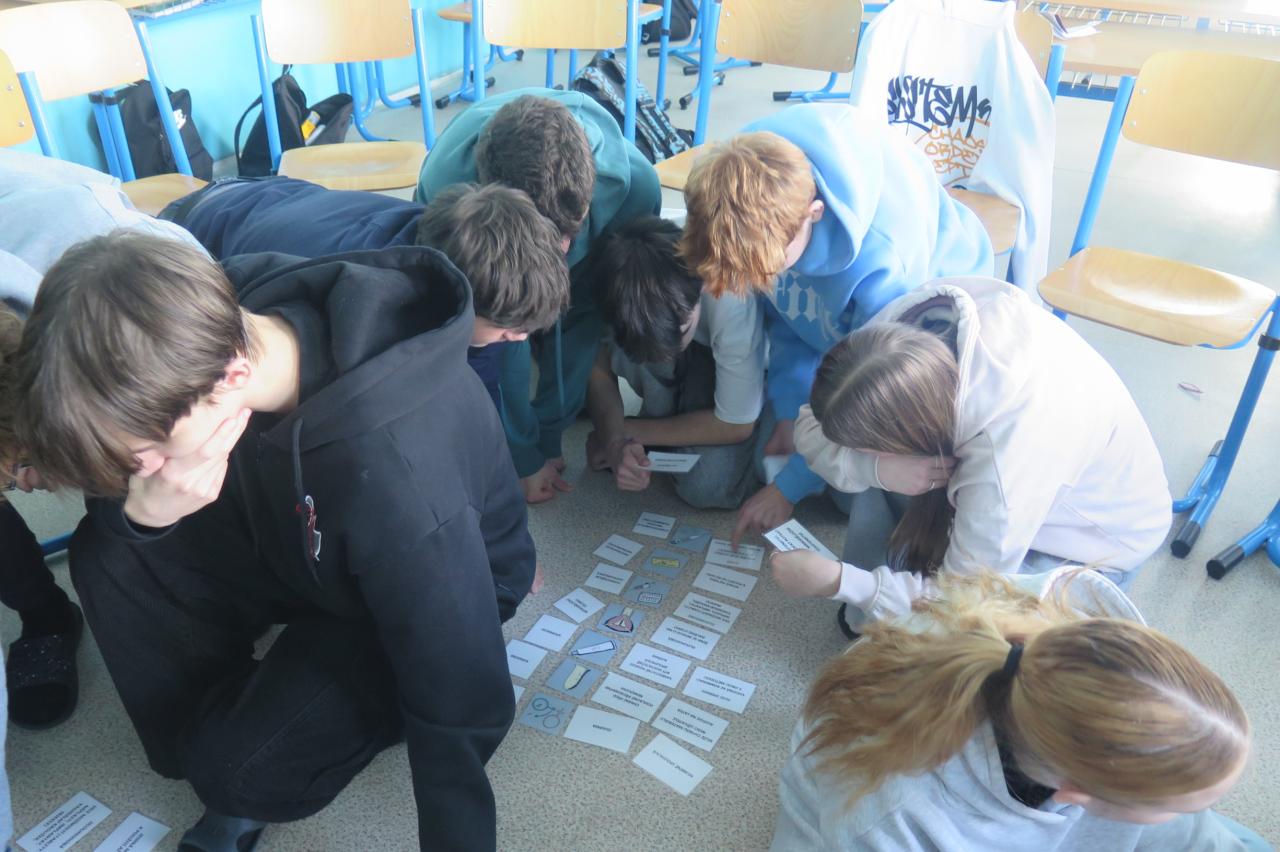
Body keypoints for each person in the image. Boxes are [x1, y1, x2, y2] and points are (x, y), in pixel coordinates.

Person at [8, 233, 536, 851]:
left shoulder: (400, 475)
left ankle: (244, 762)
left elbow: (460, 682)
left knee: (235, 771)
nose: (143, 468)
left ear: (232, 378)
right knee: (110, 550)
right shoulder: (212, 319)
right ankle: (228, 731)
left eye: (144, 451)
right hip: (294, 534)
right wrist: (143, 518)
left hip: (425, 592)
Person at [769, 277, 1171, 634]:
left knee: (979, 648)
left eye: (870, 447)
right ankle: (880, 607)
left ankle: (883, 603)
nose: (858, 453)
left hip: (1087, 547)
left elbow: (962, 604)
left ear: (915, 433)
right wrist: (876, 467)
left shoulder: (1006, 462)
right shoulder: (899, 330)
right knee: (881, 474)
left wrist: (842, 582)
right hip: (1004, 480)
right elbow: (813, 429)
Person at [678, 103, 994, 547]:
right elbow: (789, 318)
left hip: (926, 343)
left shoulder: (888, 265)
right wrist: (790, 412)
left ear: (814, 214)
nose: (759, 281)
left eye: (766, 271)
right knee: (807, 457)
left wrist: (789, 488)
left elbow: (871, 387)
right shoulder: (739, 189)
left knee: (853, 496)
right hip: (837, 336)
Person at [770, 572, 1270, 851]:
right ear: (1075, 796)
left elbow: (1193, 835)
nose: (1192, 814)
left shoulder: (1071, 652)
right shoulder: (892, 819)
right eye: (1181, 805)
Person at [0, 149, 202, 730]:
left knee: (141, 460)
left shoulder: (125, 283)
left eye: (21, 470)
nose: (25, 488)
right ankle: (45, 613)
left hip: (99, 273)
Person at [416, 89, 661, 503]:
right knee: (499, 334)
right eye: (549, 241)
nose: (561, 252)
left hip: (578, 280)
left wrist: (550, 434)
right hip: (487, 276)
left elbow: (587, 321)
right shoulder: (446, 191)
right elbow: (498, 332)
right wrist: (523, 454)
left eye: (571, 233)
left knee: (575, 334)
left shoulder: (637, 190)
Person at [163, 176, 570, 408]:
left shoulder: (449, 243)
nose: (519, 338)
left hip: (254, 192)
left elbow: (476, 375)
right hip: (186, 240)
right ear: (459, 299)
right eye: (507, 329)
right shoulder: (358, 307)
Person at [585, 217, 767, 508]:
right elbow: (598, 370)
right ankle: (668, 424)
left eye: (683, 330)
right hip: (671, 334)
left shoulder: (732, 295)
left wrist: (621, 433)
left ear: (702, 287)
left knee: (707, 486)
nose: (668, 357)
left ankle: (664, 427)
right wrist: (615, 442)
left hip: (721, 364)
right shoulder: (617, 283)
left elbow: (737, 424)